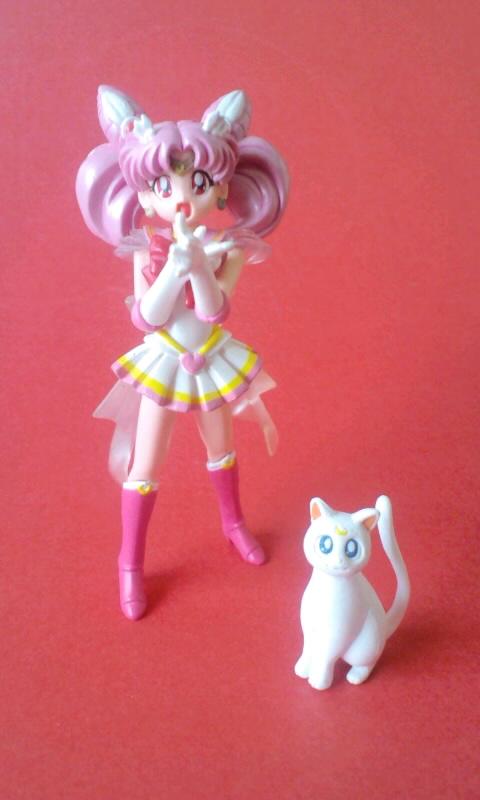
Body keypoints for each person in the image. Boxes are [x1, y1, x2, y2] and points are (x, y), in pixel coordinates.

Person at [76, 86, 289, 620]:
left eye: (197, 183)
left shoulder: (228, 247)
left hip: (211, 358)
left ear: (220, 191)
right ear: (143, 195)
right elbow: (146, 317)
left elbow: (216, 310)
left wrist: (199, 268)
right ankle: (130, 561)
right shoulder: (144, 248)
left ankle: (233, 523)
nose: (180, 198)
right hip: (167, 362)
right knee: (146, 463)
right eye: (162, 185)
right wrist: (174, 269)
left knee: (222, 448)